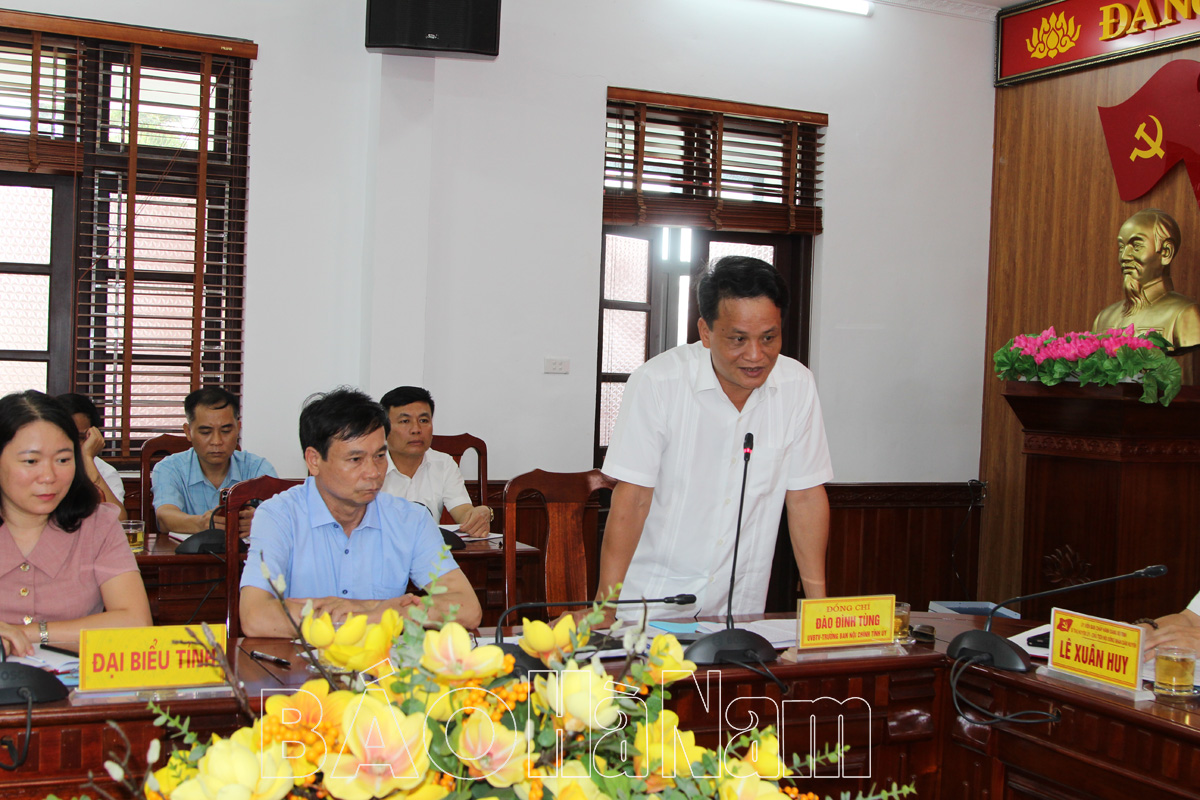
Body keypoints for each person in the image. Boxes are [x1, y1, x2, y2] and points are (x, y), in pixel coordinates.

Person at [597, 255, 833, 622]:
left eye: (769, 338)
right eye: (738, 339)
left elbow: (804, 497)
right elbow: (633, 499)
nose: (756, 355)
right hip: (652, 603)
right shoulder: (658, 383)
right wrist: (605, 608)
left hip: (741, 607)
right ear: (705, 332)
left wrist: (819, 611)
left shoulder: (797, 385)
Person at [239, 387, 481, 638]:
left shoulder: (410, 519)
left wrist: (373, 612)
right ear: (314, 460)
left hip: (382, 660)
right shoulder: (278, 516)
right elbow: (255, 616)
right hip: (303, 659)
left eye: (380, 455)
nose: (374, 472)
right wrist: (376, 612)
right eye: (355, 459)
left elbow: (467, 608)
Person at [0, 391, 152, 657]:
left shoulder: (99, 524)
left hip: (75, 679)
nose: (49, 476)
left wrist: (27, 633)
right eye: (31, 461)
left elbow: (135, 623)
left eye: (63, 460)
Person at [152, 387, 276, 537]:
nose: (217, 441)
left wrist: (260, 521)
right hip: (186, 552)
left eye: (226, 431)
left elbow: (280, 515)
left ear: (238, 428)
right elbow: (164, 517)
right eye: (206, 432)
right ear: (188, 432)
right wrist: (201, 523)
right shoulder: (169, 468)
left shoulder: (258, 468)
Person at [378, 386, 492, 537]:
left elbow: (463, 512)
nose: (416, 429)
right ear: (384, 428)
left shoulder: (444, 463)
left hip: (429, 550)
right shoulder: (369, 465)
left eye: (424, 420)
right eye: (405, 421)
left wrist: (477, 516)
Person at [1093, 208, 1200, 349]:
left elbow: (1188, 362)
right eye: (1121, 247)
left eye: (1136, 246)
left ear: (1166, 252)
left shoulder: (1185, 314)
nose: (1124, 256)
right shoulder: (1104, 318)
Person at [56, 393, 127, 521]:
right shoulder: (37, 467)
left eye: (80, 437)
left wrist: (87, 459)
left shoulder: (104, 471)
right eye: (65, 435)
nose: (71, 444)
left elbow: (119, 520)